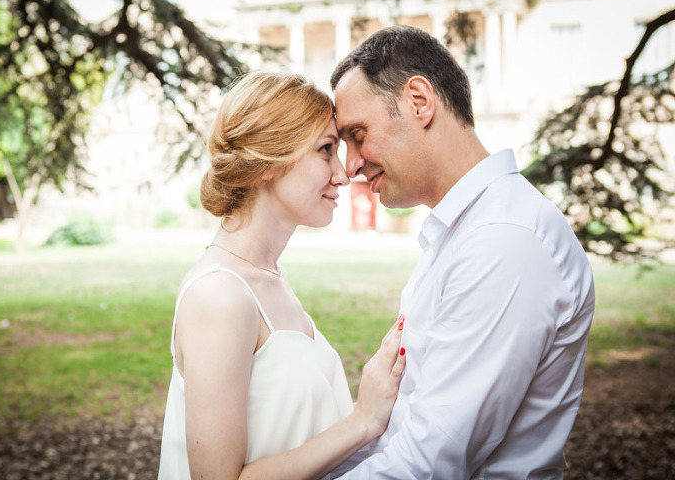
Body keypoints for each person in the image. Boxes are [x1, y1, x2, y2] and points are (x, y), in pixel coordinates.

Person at [329, 26, 596, 479]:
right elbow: (405, 429)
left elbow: (433, 461)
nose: (351, 164)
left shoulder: (505, 240)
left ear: (419, 100)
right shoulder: (465, 230)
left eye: (358, 134)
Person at [157, 71, 407, 480]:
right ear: (267, 164)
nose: (343, 174)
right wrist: (361, 422)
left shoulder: (269, 277)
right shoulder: (220, 295)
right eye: (326, 150)